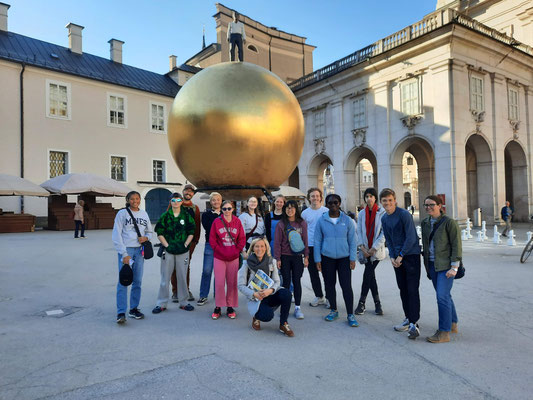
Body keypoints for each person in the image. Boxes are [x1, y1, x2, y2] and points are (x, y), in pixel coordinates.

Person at [380, 188, 422, 340]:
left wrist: (401, 255)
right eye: (385, 201)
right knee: (403, 289)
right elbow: (389, 240)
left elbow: (411, 237)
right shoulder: (384, 218)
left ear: (395, 200)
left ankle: (414, 323)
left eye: (390, 200)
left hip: (410, 256)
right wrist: (392, 256)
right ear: (381, 202)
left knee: (412, 289)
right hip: (396, 259)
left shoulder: (404, 214)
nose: (388, 203)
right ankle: (407, 318)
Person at [421, 195, 461, 343]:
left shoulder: (449, 223)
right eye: (426, 205)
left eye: (431, 204)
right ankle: (452, 323)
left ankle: (444, 332)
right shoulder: (425, 223)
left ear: (440, 206)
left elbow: (456, 245)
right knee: (444, 295)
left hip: (446, 266)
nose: (428, 207)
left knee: (441, 297)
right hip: (432, 265)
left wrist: (454, 267)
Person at [314, 194, 358, 327]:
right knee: (329, 285)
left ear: (340, 203)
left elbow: (352, 240)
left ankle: (350, 314)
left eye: (336, 203)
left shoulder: (348, 220)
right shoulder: (321, 220)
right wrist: (317, 259)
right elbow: (317, 241)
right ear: (326, 205)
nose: (333, 205)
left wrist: (352, 258)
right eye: (330, 203)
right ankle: (334, 310)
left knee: (346, 286)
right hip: (327, 258)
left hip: (344, 259)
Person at [238, 237, 294, 337]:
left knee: (286, 294)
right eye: (257, 246)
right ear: (253, 248)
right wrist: (254, 294)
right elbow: (240, 285)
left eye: (262, 246)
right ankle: (257, 317)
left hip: (269, 293)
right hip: (256, 297)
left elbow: (277, 281)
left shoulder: (271, 262)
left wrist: (270, 290)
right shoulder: (246, 264)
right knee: (267, 316)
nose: (260, 249)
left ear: (266, 248)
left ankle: (283, 323)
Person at [112, 191, 153, 324]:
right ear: (128, 200)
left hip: (140, 250)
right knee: (124, 281)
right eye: (132, 199)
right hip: (127, 250)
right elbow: (116, 234)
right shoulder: (122, 214)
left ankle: (134, 308)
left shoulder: (144, 214)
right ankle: (121, 312)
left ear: (140, 200)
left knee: (137, 281)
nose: (135, 201)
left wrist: (146, 237)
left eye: (137, 198)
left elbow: (150, 231)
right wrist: (124, 253)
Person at [152, 192, 196, 314]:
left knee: (182, 277)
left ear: (182, 202)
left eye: (178, 200)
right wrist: (166, 245)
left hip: (183, 251)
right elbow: (159, 232)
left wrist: (186, 244)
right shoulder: (165, 216)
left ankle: (184, 302)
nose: (176, 203)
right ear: (170, 202)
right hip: (168, 251)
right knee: (165, 278)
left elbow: (191, 231)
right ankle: (161, 303)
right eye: (173, 200)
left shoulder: (187, 216)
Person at [209, 200, 246, 319]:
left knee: (232, 283)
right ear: (221, 210)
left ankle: (230, 306)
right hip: (219, 257)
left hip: (233, 257)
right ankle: (218, 306)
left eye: (229, 208)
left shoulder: (237, 221)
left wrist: (237, 250)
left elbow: (242, 238)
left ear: (233, 209)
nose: (227, 211)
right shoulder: (217, 221)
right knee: (219, 283)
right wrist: (218, 250)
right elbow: (212, 239)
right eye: (224, 209)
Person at [274, 200, 309, 320]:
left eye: (292, 208)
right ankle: (285, 307)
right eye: (288, 208)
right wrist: (277, 258)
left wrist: (306, 257)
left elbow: (305, 241)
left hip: (298, 257)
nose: (290, 210)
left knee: (297, 281)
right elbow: (277, 243)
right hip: (284, 256)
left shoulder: (302, 223)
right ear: (285, 210)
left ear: (296, 209)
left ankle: (298, 307)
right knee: (286, 283)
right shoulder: (281, 224)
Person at [355, 188, 386, 316]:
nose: (369, 198)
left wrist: (373, 248)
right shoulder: (362, 213)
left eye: (371, 196)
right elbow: (359, 231)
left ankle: (361, 302)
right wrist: (363, 248)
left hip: (375, 251)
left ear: (375, 198)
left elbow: (384, 232)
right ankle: (377, 304)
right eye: (366, 196)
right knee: (370, 275)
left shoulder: (382, 212)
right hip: (365, 250)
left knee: (368, 274)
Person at [171, 184, 201, 302]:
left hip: (189, 242)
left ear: (193, 194)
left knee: (185, 266)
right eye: (186, 191)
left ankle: (186, 289)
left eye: (191, 191)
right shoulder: (174, 203)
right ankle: (175, 291)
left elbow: (197, 225)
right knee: (174, 266)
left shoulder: (195, 208)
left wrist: (196, 240)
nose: (188, 193)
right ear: (183, 192)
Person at [301, 188, 329, 308]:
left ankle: (329, 297)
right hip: (310, 246)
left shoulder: (326, 211)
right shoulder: (305, 213)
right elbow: (302, 231)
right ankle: (319, 296)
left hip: (324, 245)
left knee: (327, 273)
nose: (315, 198)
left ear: (321, 197)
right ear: (309, 198)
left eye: (317, 196)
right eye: (312, 196)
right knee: (313, 273)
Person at [197, 192, 222, 306]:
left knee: (219, 272)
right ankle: (203, 295)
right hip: (210, 245)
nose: (216, 202)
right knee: (207, 271)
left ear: (221, 201)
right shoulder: (206, 215)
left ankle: (218, 294)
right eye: (213, 200)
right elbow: (209, 227)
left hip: (223, 246)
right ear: (210, 202)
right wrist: (217, 216)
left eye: (218, 199)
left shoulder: (226, 212)